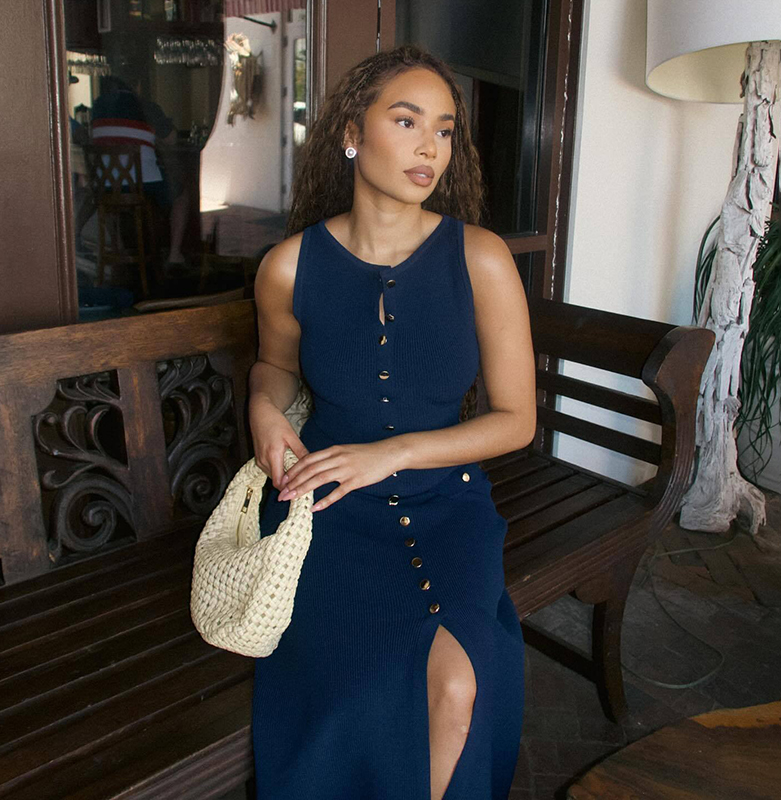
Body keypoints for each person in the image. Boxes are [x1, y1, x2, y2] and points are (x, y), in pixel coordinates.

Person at [248, 44, 536, 800]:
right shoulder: (289, 266)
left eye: (443, 130)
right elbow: (275, 366)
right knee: (363, 684)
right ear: (352, 133)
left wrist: (394, 453)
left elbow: (517, 421)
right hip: (327, 512)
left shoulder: (481, 258)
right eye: (406, 121)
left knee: (458, 686)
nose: (429, 147)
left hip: (447, 505)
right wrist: (262, 407)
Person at [89, 75, 189, 269]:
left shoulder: (98, 107)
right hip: (143, 185)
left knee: (106, 201)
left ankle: (119, 249)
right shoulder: (146, 107)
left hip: (106, 185)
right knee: (181, 194)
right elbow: (171, 139)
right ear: (137, 85)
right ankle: (175, 255)